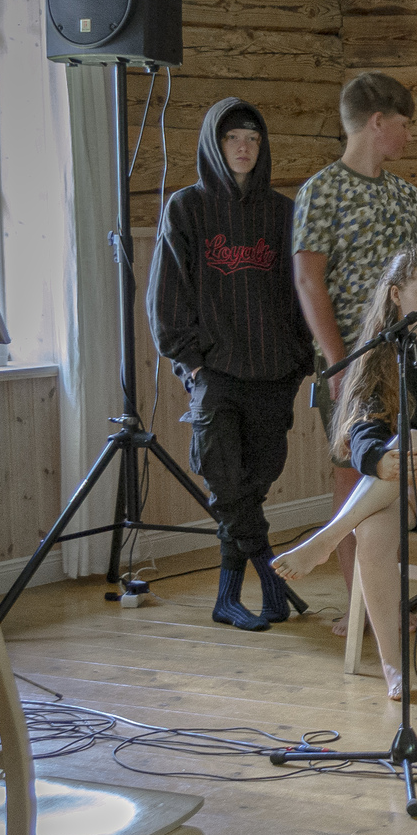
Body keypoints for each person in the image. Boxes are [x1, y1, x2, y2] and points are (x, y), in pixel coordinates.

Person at [274, 250, 417, 699]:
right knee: (372, 535)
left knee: (412, 437)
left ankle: (329, 536)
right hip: (396, 489)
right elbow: (361, 430)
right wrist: (376, 460)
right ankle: (394, 668)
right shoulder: (378, 351)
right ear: (396, 295)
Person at [147, 98, 309, 631]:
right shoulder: (186, 208)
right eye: (232, 138)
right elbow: (167, 294)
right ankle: (270, 576)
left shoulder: (283, 212)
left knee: (250, 489)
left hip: (274, 372)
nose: (244, 147)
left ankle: (226, 599)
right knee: (227, 486)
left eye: (253, 139)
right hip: (215, 374)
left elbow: (301, 291)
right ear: (214, 146)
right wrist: (192, 365)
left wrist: (298, 360)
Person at [291, 72, 417, 631]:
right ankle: (362, 613)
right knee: (353, 479)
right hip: (353, 360)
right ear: (377, 122)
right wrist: (339, 362)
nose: (409, 135)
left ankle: (384, 601)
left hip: (408, 357)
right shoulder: (321, 190)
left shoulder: (406, 194)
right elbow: (309, 281)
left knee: (395, 480)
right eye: (404, 124)